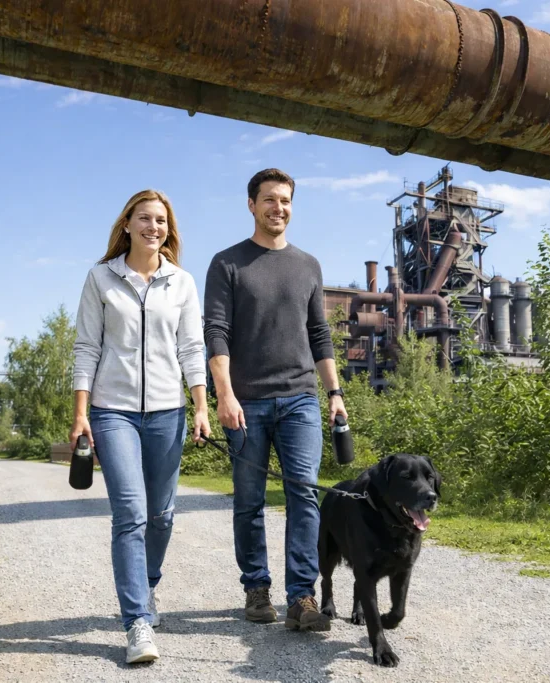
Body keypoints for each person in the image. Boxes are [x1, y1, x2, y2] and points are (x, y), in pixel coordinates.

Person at [70, 189, 211, 664]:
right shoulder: (100, 278)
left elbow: (193, 348)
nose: (154, 227)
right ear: (127, 223)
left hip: (168, 411)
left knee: (162, 515)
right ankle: (137, 622)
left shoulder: (182, 283)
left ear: (169, 230)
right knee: (130, 512)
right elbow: (86, 347)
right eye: (145, 218)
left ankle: (147, 588)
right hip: (113, 411)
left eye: (162, 220)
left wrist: (201, 406)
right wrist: (81, 412)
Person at [203, 168, 346, 632]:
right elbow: (217, 333)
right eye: (269, 200)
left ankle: (302, 597)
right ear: (251, 205)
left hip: (300, 399)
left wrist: (335, 394)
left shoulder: (307, 265)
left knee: (304, 494)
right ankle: (256, 587)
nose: (278, 208)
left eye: (285, 200)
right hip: (245, 403)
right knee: (249, 501)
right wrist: (223, 394)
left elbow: (319, 334)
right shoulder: (227, 264)